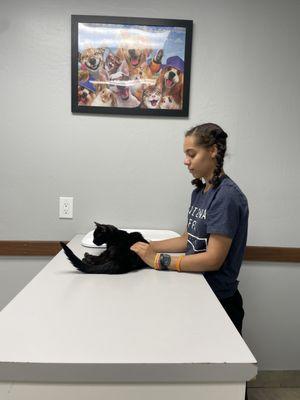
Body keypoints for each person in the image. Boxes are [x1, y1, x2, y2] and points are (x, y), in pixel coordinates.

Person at [130, 122, 249, 400]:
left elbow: (213, 259)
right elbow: (188, 239)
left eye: (191, 154)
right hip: (198, 297)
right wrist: (144, 246)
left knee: (222, 387)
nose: (185, 161)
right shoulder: (200, 192)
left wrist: (159, 260)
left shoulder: (227, 197)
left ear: (214, 151)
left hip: (220, 304)